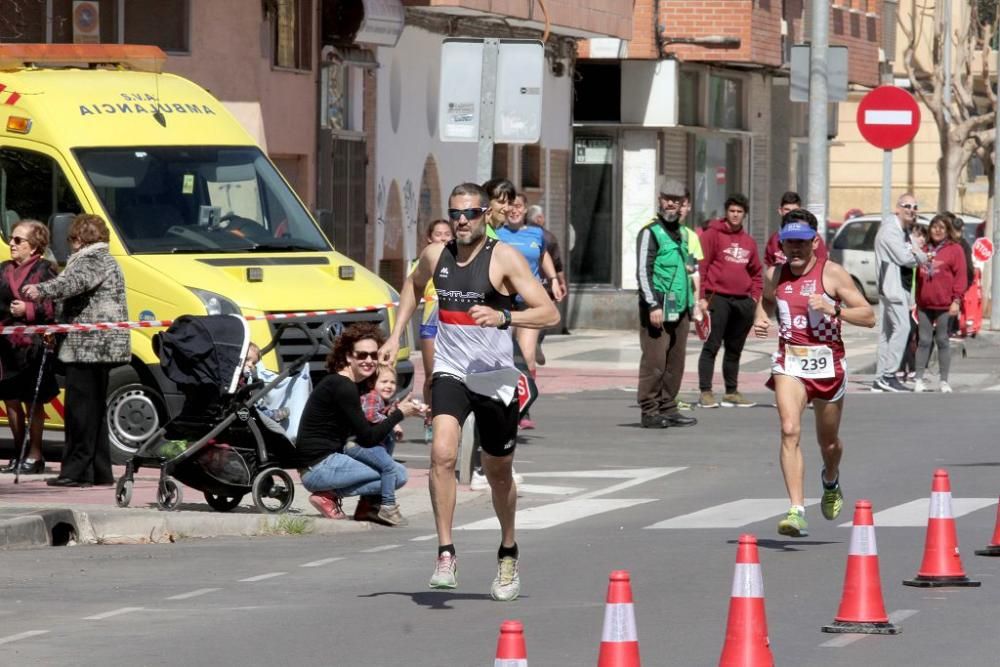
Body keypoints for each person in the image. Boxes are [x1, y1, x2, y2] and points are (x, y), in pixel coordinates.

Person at [380, 182, 559, 601]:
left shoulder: (503, 258)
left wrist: (503, 316)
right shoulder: (435, 255)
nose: (462, 221)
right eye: (455, 214)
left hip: (494, 377)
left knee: (498, 473)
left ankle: (508, 549)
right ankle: (445, 552)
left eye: (470, 214)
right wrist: (394, 337)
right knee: (441, 454)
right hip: (450, 370)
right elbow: (411, 284)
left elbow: (548, 312)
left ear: (484, 215)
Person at [753, 210, 875, 537]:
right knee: (789, 429)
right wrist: (761, 318)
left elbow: (868, 316)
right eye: (789, 241)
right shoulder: (774, 275)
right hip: (789, 361)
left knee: (829, 442)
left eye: (801, 242)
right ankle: (796, 509)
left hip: (828, 364)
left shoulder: (832, 275)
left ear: (814, 242)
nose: (794, 248)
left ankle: (831, 478)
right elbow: (765, 301)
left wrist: (833, 308)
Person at [23, 214, 129, 488]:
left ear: (78, 239)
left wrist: (40, 290)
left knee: (79, 411)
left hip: (88, 347)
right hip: (98, 346)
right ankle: (99, 470)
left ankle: (76, 472)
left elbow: (71, 284)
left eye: (72, 238)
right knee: (93, 411)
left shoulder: (92, 260)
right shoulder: (106, 260)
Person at [295, 323, 425, 521]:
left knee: (387, 456)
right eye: (362, 355)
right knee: (396, 474)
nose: (369, 360)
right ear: (348, 357)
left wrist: (400, 412)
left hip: (323, 463)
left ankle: (367, 506)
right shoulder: (343, 387)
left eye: (374, 355)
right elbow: (368, 437)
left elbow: (371, 426)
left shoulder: (348, 384)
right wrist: (399, 415)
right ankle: (329, 495)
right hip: (318, 468)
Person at [494, 191, 564, 430]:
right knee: (505, 353)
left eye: (519, 206)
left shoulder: (536, 233)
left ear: (525, 210)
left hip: (528, 300)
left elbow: (543, 255)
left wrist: (553, 279)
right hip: (504, 299)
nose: (514, 210)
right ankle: (503, 401)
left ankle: (523, 407)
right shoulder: (497, 234)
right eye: (510, 206)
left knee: (526, 354)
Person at [635, 177, 700, 429]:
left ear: (684, 204)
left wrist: (693, 305)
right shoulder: (650, 233)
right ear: (660, 201)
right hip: (658, 308)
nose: (671, 204)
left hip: (680, 307)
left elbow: (687, 271)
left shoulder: (683, 234)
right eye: (667, 199)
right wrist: (652, 305)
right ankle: (649, 410)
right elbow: (643, 271)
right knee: (655, 361)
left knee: (676, 361)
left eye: (677, 201)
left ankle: (668, 407)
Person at [0, 221, 59, 475]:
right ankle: (18, 452)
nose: (11, 244)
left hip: (34, 346)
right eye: (12, 239)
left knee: (32, 401)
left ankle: (35, 454)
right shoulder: (3, 269)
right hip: (6, 345)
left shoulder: (46, 270)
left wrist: (29, 310)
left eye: (17, 240)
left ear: (34, 246)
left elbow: (56, 306)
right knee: (10, 400)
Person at [696, 193, 763, 408]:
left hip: (743, 301)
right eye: (732, 211)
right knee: (712, 346)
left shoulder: (749, 242)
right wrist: (702, 298)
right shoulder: (712, 235)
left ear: (745, 215)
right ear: (727, 212)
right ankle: (706, 391)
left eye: (739, 212)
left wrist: (753, 298)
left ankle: (731, 391)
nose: (735, 215)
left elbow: (756, 273)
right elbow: (702, 267)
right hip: (718, 298)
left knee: (735, 348)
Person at [872, 193, 927, 392]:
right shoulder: (890, 231)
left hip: (898, 287)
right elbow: (907, 258)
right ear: (897, 208)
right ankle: (888, 375)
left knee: (888, 333)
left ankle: (880, 378)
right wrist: (918, 255)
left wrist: (917, 254)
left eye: (914, 207)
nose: (911, 210)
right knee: (902, 328)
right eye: (907, 206)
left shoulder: (903, 231)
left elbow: (916, 252)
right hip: (891, 287)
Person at [349, 364, 410, 526]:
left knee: (382, 469)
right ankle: (388, 506)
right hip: (358, 443)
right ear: (372, 384)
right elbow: (370, 415)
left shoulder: (383, 400)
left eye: (392, 382)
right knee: (389, 468)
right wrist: (393, 422)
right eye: (384, 382)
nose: (389, 386)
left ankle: (366, 506)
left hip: (365, 444)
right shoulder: (372, 397)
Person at [913, 214, 967, 394]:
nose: (937, 230)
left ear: (948, 230)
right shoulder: (923, 248)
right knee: (924, 341)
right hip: (924, 303)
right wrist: (915, 301)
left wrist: (957, 300)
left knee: (942, 340)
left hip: (945, 304)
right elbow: (916, 275)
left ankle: (944, 381)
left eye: (942, 227)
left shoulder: (955, 249)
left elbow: (960, 277)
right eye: (934, 227)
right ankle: (918, 379)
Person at [416, 219, 454, 443]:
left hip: (453, 323)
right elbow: (413, 286)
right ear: (430, 238)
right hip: (431, 323)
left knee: (449, 376)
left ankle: (446, 419)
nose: (443, 237)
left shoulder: (459, 260)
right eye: (438, 234)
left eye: (447, 234)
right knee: (432, 375)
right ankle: (430, 416)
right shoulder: (425, 260)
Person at [524, 202, 567, 367]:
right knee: (543, 315)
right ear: (540, 218)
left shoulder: (517, 233)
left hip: (526, 285)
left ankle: (531, 342)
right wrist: (560, 281)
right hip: (545, 284)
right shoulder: (547, 236)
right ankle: (536, 341)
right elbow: (557, 263)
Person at [762, 192, 828, 278]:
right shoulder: (774, 238)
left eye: (794, 210)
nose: (790, 213)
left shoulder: (811, 236)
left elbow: (822, 262)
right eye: (787, 209)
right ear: (780, 211)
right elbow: (770, 263)